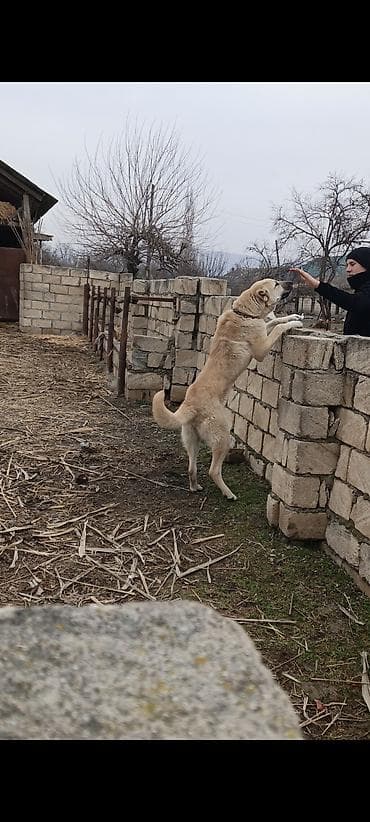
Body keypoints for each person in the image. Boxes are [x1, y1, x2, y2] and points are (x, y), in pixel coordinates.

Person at [289, 247, 370, 336]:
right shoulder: (362, 290)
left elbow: (354, 302)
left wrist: (318, 285)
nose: (348, 269)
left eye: (352, 264)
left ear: (366, 264)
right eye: (347, 265)